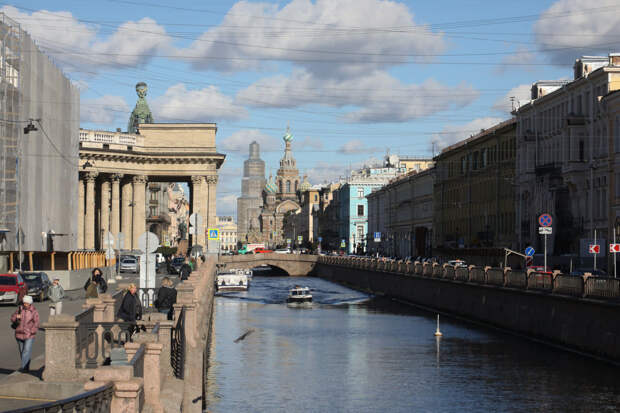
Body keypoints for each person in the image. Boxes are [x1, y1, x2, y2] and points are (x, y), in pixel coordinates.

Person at [11, 295, 40, 372]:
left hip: (29, 335)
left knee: (26, 351)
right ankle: (26, 366)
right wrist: (16, 317)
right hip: (18, 334)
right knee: (22, 352)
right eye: (24, 303)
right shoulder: (19, 309)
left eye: (27, 303)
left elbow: (36, 323)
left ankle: (24, 368)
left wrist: (32, 331)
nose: (25, 304)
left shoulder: (34, 311)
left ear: (30, 303)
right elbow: (12, 318)